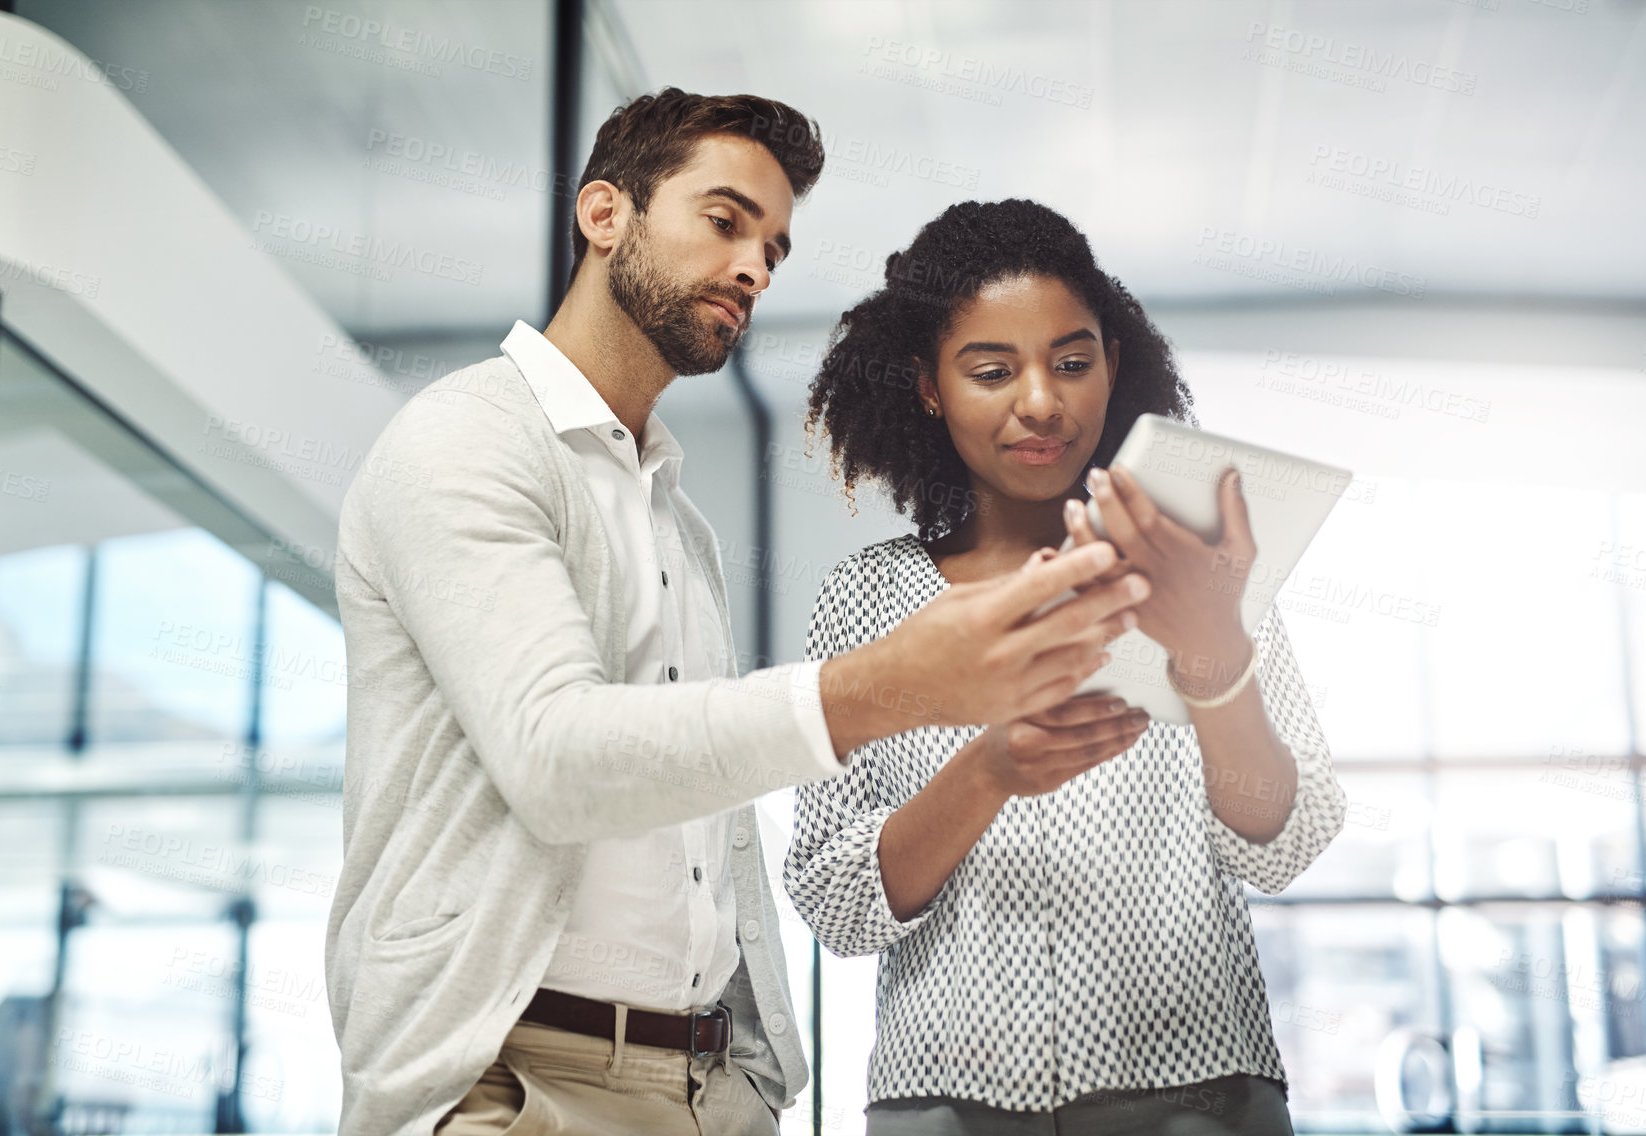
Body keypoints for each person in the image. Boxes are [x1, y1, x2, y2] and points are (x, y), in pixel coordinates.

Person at [324, 95, 1146, 1136]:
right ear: (604, 214)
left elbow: (704, 822)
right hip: (511, 1079)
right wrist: (889, 684)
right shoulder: (463, 443)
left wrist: (753, 1077)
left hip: (709, 1087)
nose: (755, 266)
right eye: (724, 221)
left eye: (773, 247)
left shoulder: (680, 526)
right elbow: (554, 757)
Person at [784, 198, 1349, 1135]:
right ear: (928, 385)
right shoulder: (866, 601)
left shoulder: (1198, 565)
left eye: (1072, 363)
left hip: (1200, 1090)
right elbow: (837, 901)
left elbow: (1284, 841)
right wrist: (991, 769)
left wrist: (1213, 658)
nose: (1041, 401)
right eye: (992, 370)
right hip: (942, 1102)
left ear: (1113, 365)